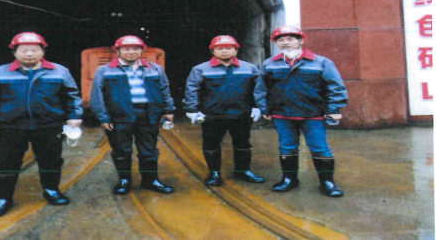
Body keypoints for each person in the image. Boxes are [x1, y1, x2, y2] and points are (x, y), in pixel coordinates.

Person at [0, 32, 83, 217]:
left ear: (42, 51)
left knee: (51, 160)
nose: (29, 54)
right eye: (24, 50)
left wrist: (75, 115)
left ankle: (51, 190)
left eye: (34, 50)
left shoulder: (59, 71)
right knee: (7, 163)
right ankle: (3, 199)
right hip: (11, 126)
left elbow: (71, 95)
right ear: (14, 52)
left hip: (48, 124)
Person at [259, 26, 348, 197]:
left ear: (300, 41)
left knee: (319, 147)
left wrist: (334, 108)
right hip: (282, 114)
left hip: (312, 114)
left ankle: (327, 182)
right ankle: (289, 179)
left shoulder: (321, 62)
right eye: (281, 40)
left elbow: (335, 86)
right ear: (276, 43)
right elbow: (261, 88)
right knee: (286, 146)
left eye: (290, 39)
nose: (285, 43)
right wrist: (265, 108)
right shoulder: (269, 64)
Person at [90, 35, 176, 195]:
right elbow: (97, 96)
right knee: (121, 150)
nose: (131, 52)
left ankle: (150, 180)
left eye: (136, 49)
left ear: (142, 51)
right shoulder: (104, 70)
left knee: (149, 149)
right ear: (117, 51)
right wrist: (103, 118)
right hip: (119, 116)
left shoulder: (155, 69)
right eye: (126, 49)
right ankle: (124, 181)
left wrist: (168, 110)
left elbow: (164, 90)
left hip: (148, 114)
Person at [184, 35, 266, 187]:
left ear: (236, 50)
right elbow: (192, 90)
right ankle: (214, 173)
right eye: (220, 48)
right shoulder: (200, 69)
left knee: (243, 143)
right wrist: (192, 109)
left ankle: (243, 171)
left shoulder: (249, 68)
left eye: (228, 48)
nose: (224, 51)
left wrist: (258, 106)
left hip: (241, 114)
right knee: (211, 144)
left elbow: (258, 89)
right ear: (212, 51)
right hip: (213, 115)